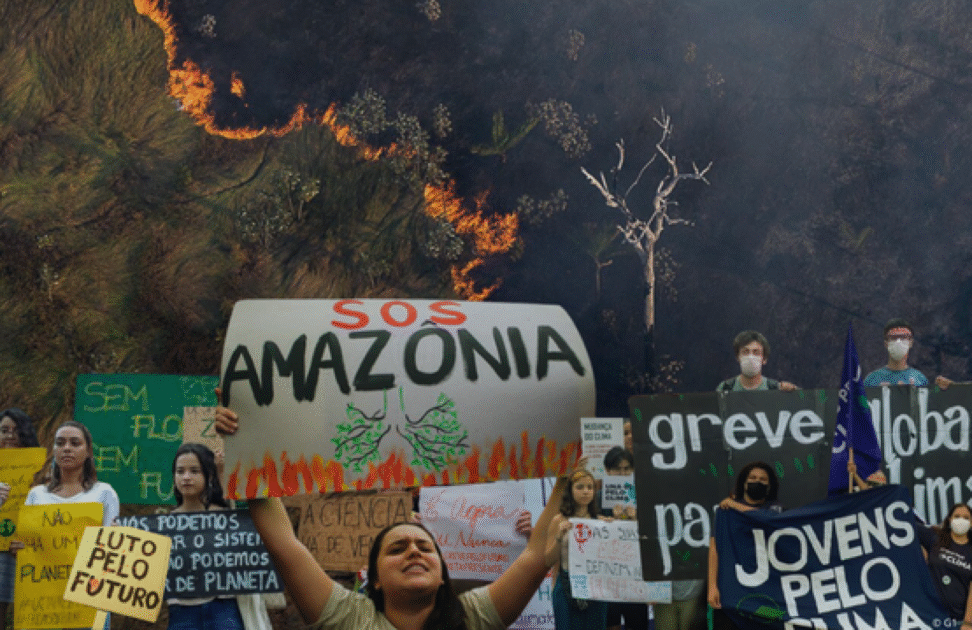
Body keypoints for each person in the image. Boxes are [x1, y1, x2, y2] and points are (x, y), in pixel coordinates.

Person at [214, 405, 566, 630]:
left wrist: (569, 476)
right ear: (375, 579)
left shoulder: (471, 617)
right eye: (397, 548)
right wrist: (247, 442)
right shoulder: (350, 619)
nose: (414, 551)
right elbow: (285, 545)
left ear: (443, 575)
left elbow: (534, 555)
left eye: (425, 547)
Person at [24, 420, 119, 630]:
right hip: (45, 600)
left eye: (75, 443)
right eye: (60, 443)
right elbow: (28, 544)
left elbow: (111, 547)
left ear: (88, 452)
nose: (66, 448)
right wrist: (19, 548)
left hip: (89, 597)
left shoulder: (104, 493)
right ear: (54, 450)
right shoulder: (36, 495)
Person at [166, 442, 246, 630]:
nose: (186, 477)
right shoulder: (166, 523)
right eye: (180, 471)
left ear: (208, 476)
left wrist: (221, 472)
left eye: (194, 471)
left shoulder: (226, 515)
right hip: (182, 612)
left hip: (224, 609)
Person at [707, 462, 783, 630]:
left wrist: (735, 505)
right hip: (731, 594)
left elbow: (764, 518)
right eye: (753, 478)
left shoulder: (777, 510)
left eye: (763, 479)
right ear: (744, 482)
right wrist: (712, 586)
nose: (758, 481)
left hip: (768, 594)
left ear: (769, 486)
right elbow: (714, 549)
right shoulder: (725, 513)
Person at [546, 468, 609, 630]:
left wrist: (615, 527)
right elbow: (548, 560)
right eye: (580, 487)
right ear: (570, 490)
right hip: (567, 585)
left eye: (590, 487)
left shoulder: (601, 522)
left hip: (595, 586)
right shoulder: (558, 520)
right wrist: (560, 536)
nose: (585, 491)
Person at [0, 408, 40, 630]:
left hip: (30, 551)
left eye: (16, 430)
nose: (9, 436)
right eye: (4, 430)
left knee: (29, 617)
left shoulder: (42, 467)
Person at [600, 448, 647, 630]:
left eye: (627, 468)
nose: (622, 473)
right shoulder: (596, 498)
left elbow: (653, 537)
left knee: (637, 624)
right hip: (607, 579)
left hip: (634, 579)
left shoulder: (643, 499)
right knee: (611, 625)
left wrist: (635, 521)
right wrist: (604, 523)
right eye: (617, 469)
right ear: (607, 470)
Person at [917, 503, 972, 626]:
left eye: (966, 518)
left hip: (958, 621)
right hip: (929, 616)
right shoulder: (934, 538)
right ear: (950, 519)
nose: (961, 520)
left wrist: (968, 622)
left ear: (971, 522)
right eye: (957, 516)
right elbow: (905, 523)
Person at [715, 331, 798, 392]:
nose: (750, 357)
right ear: (737, 357)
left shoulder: (775, 388)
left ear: (764, 359)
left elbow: (804, 398)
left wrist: (794, 390)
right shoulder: (725, 388)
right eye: (745, 352)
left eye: (756, 352)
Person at [863, 318, 928, 386]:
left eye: (903, 337)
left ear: (911, 343)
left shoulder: (920, 379)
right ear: (886, 343)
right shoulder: (872, 380)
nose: (898, 342)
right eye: (893, 338)